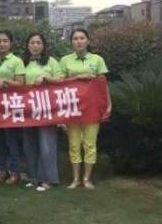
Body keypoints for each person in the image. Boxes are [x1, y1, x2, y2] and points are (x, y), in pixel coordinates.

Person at [59, 28, 112, 190]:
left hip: (92, 108)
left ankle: (87, 178)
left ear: (88, 41)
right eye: (75, 38)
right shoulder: (65, 60)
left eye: (82, 38)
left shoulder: (97, 60)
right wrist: (77, 77)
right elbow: (60, 84)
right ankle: (76, 179)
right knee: (74, 144)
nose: (79, 41)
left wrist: (109, 104)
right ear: (71, 42)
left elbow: (103, 85)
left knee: (90, 144)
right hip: (72, 107)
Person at [22, 32, 63, 192]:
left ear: (43, 45)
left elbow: (61, 80)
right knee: (29, 144)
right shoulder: (22, 62)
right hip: (28, 109)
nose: (35, 45)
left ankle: (48, 178)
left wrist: (47, 78)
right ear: (27, 45)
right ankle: (33, 177)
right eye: (32, 42)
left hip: (47, 109)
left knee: (46, 144)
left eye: (39, 42)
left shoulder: (51, 61)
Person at [0, 30, 26, 185]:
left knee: (11, 138)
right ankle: (2, 169)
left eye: (5, 41)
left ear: (11, 43)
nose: (2, 44)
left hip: (11, 105)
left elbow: (21, 83)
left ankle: (14, 171)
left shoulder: (16, 61)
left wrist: (5, 81)